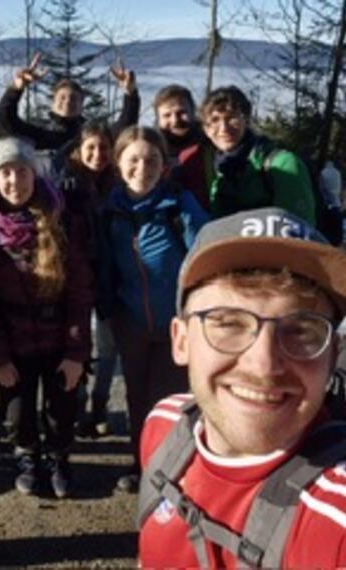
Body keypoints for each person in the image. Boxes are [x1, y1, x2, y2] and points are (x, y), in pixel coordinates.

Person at [138, 207, 346, 568]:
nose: (264, 365)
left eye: (301, 330)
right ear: (181, 341)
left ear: (331, 354)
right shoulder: (164, 427)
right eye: (229, 324)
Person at [0, 137, 93, 499]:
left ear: (33, 174)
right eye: (5, 172)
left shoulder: (60, 216)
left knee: (62, 407)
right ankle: (26, 455)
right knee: (17, 412)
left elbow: (80, 289)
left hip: (58, 333)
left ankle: (58, 456)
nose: (14, 181)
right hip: (12, 336)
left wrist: (76, 353)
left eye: (21, 171)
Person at [99, 126, 208, 493]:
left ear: (164, 166)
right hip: (130, 322)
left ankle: (171, 468)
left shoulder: (179, 205)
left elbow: (204, 256)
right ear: (118, 163)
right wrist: (108, 308)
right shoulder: (110, 211)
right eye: (133, 160)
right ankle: (141, 463)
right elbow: (104, 265)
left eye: (151, 160)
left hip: (175, 324)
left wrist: (193, 314)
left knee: (170, 399)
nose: (142, 168)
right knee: (136, 397)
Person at [59, 121, 121, 437]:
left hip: (110, 273)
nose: (98, 154)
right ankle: (78, 402)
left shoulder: (118, 184)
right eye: (91, 148)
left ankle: (100, 402)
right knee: (77, 340)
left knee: (108, 344)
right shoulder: (66, 184)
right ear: (79, 151)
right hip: (77, 273)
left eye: (104, 147)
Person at [200, 85, 316, 224]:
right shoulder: (220, 176)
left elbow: (298, 229)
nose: (223, 128)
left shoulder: (284, 165)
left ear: (247, 119)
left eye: (232, 117)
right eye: (214, 120)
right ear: (206, 130)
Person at [0, 54, 140, 164]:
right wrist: (16, 89)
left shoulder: (90, 135)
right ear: (53, 102)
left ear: (82, 104)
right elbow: (7, 120)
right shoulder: (41, 134)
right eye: (62, 97)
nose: (67, 102)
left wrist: (130, 94)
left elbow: (124, 127)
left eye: (73, 98)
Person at [153, 84, 214, 210]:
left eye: (181, 113)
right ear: (158, 119)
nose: (175, 120)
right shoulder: (151, 151)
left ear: (193, 112)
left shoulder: (212, 145)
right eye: (167, 115)